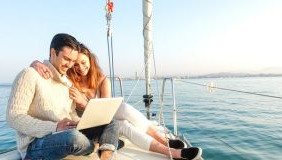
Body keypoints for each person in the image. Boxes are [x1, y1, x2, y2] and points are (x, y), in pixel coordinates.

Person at [31, 43, 203, 160]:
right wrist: (35, 62)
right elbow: (52, 67)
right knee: (121, 124)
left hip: (100, 121)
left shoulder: (101, 80)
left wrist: (85, 101)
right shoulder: (69, 78)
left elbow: (104, 111)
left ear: (90, 60)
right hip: (81, 122)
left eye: (83, 63)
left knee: (124, 112)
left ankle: (170, 148)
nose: (80, 68)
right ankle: (171, 149)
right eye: (75, 64)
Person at [6, 33, 119, 160]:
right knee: (74, 138)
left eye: (72, 61)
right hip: (36, 144)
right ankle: (97, 146)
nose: (70, 65)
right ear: (53, 52)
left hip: (65, 134)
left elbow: (71, 113)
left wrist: (79, 122)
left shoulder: (67, 83)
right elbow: (13, 117)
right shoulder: (30, 75)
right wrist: (54, 127)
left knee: (110, 121)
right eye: (66, 59)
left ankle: (106, 155)